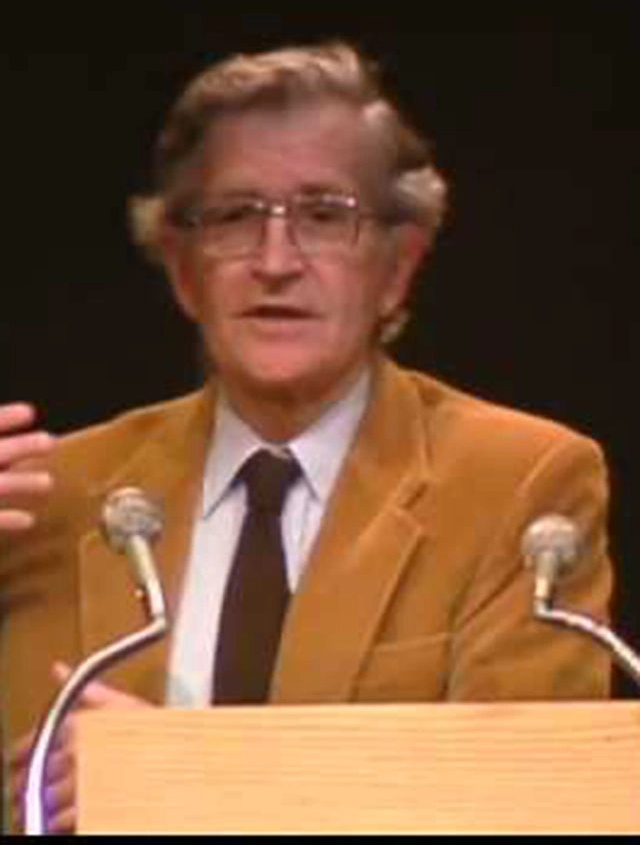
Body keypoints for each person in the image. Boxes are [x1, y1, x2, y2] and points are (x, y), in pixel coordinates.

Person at [0, 41, 612, 833]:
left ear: (399, 265)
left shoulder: (518, 484)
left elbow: (536, 799)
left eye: (325, 216)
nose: (275, 261)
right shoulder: (50, 497)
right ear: (183, 269)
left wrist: (190, 777)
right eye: (235, 217)